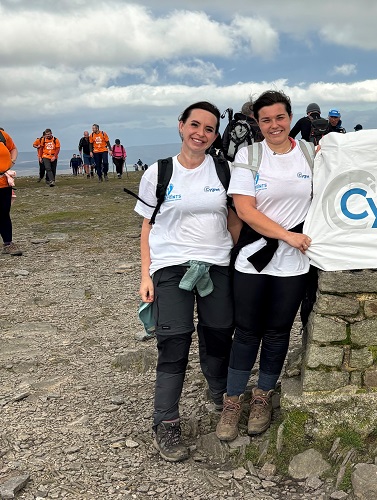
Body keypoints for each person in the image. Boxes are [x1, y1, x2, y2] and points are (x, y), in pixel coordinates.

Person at [134, 101, 242, 462]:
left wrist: (234, 257)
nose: (201, 133)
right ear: (181, 126)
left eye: (209, 129)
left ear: (215, 135)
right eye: (195, 125)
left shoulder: (224, 170)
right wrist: (145, 275)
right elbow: (147, 226)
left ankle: (217, 389)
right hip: (171, 268)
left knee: (219, 330)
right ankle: (165, 422)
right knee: (174, 339)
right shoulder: (159, 172)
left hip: (216, 265)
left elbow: (233, 220)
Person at [216, 90, 313, 442]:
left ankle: (263, 397)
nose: (275, 125)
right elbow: (245, 209)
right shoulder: (250, 154)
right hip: (254, 258)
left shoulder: (308, 153)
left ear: (291, 117)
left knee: (278, 332)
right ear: (258, 123)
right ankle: (232, 402)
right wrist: (287, 235)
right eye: (266, 119)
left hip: (295, 264)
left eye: (280, 117)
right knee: (246, 331)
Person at [0, 127, 22, 256]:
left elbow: (13, 148)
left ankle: (8, 243)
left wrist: (11, 161)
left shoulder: (2, 135)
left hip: (3, 183)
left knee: (4, 213)